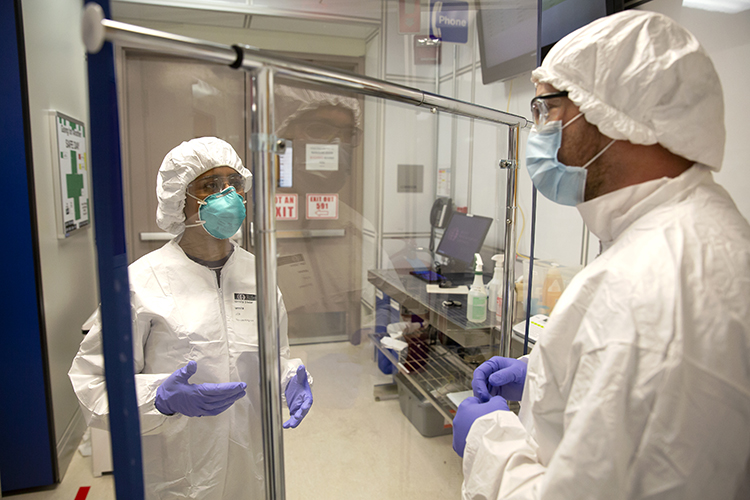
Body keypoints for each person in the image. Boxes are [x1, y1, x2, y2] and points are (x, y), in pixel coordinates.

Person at [452, 10, 750, 500]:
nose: (540, 130)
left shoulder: (659, 279)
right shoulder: (679, 234)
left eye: (548, 109)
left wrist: (489, 445)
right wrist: (551, 376)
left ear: (615, 112)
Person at [69, 137, 313, 499]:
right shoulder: (139, 283)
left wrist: (287, 377)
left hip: (251, 462)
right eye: (210, 185)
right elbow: (95, 381)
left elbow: (268, 356)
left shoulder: (258, 274)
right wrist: (158, 399)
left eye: (235, 184)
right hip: (177, 471)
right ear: (178, 198)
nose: (227, 195)